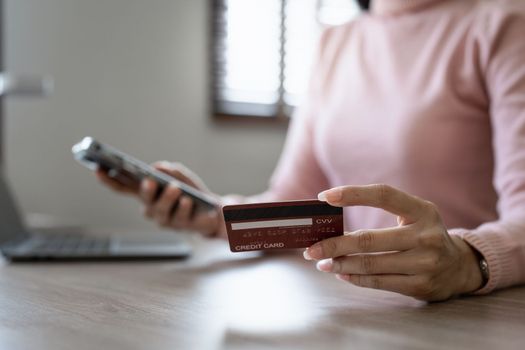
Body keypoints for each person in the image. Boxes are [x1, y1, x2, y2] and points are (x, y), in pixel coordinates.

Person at [97, 0, 525, 301]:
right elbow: (295, 203)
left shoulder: (504, 25)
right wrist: (211, 214)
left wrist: (469, 262)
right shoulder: (335, 43)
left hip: (470, 312)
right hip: (354, 310)